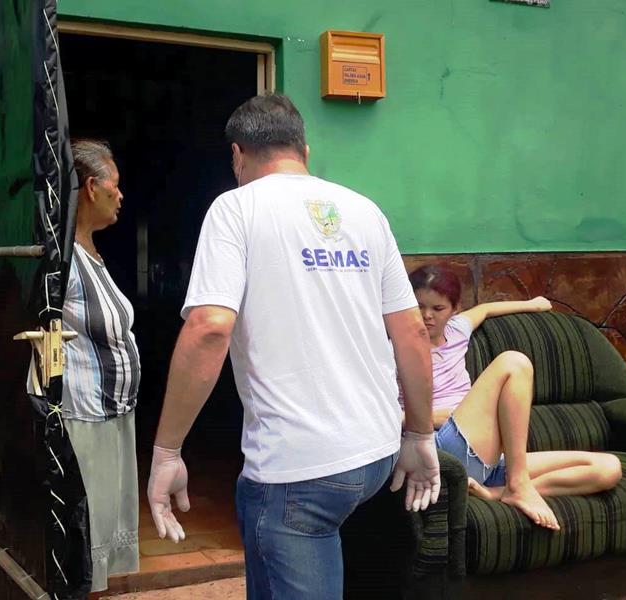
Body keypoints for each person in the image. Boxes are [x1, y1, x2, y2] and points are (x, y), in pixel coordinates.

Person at [146, 93, 440, 599]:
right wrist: (418, 434)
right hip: (374, 454)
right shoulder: (364, 211)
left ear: (237, 154)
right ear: (304, 147)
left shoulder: (235, 209)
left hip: (298, 473)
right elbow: (412, 330)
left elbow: (211, 326)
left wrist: (167, 449)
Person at [406, 264, 622, 531]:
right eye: (419, 306)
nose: (427, 316)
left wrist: (533, 304)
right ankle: (519, 484)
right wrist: (442, 415)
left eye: (438, 309)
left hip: (487, 457)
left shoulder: (458, 331)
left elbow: (485, 310)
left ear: (454, 309)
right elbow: (390, 418)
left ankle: (499, 493)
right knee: (514, 362)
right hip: (442, 449)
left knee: (608, 467)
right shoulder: (396, 348)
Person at [60, 140, 140, 591]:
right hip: (84, 411)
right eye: (116, 184)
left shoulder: (91, 252)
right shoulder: (63, 258)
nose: (121, 194)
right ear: (91, 187)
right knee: (88, 512)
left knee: (107, 510)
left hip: (113, 411)